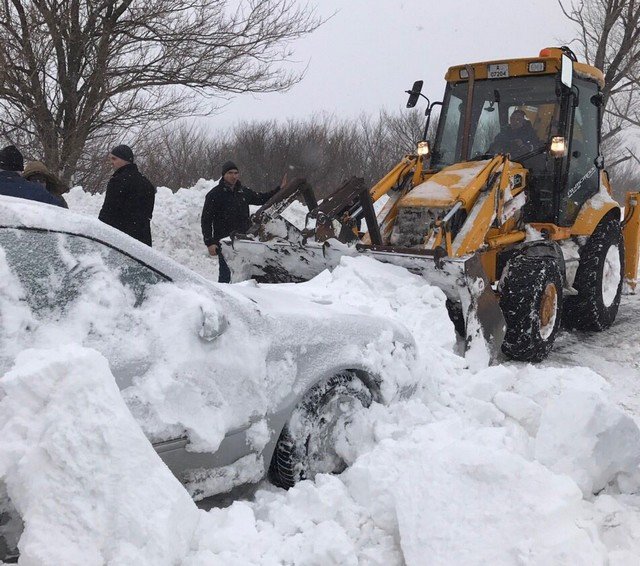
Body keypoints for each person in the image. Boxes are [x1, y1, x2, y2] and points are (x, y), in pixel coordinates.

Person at [201, 161, 285, 283]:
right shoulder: (214, 194)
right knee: (226, 275)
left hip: (244, 241)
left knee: (244, 275)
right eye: (230, 173)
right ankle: (222, 299)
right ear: (224, 174)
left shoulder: (243, 192)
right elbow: (206, 220)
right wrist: (209, 242)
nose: (234, 176)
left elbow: (261, 198)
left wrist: (279, 190)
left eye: (236, 173)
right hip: (225, 243)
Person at [98, 144, 156, 246]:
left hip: (121, 239)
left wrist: (100, 232)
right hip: (142, 238)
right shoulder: (146, 183)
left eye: (114, 159)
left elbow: (108, 212)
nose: (111, 162)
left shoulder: (118, 181)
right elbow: (147, 214)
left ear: (124, 159)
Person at [0, 145, 65, 207]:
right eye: (34, 179)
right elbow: (64, 214)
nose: (38, 183)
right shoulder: (38, 192)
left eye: (42, 180)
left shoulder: (42, 193)